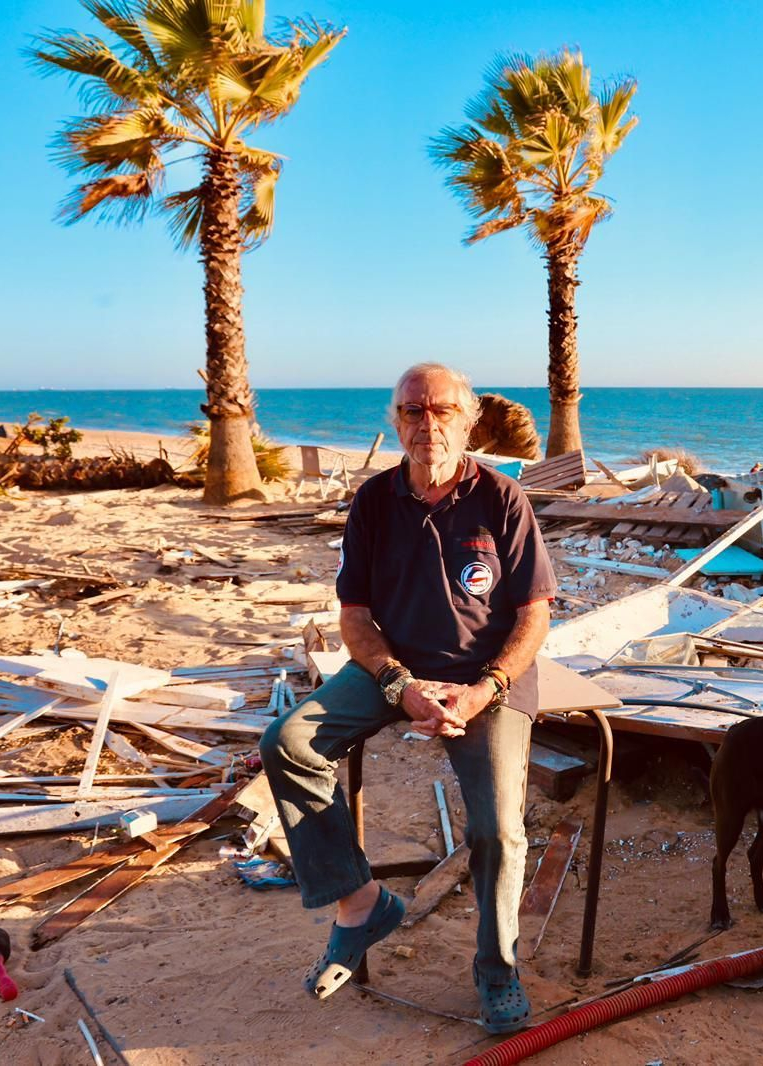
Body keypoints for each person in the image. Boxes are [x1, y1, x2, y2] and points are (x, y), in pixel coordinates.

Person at [259, 363, 555, 1034]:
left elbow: (535, 614)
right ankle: (360, 903)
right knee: (288, 742)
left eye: (443, 410)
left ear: (469, 420)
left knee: (498, 832)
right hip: (395, 667)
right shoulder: (374, 502)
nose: (429, 425)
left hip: (489, 678)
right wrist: (399, 685)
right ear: (395, 422)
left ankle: (496, 969)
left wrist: (485, 691)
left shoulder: (504, 499)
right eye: (413, 412)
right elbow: (355, 617)